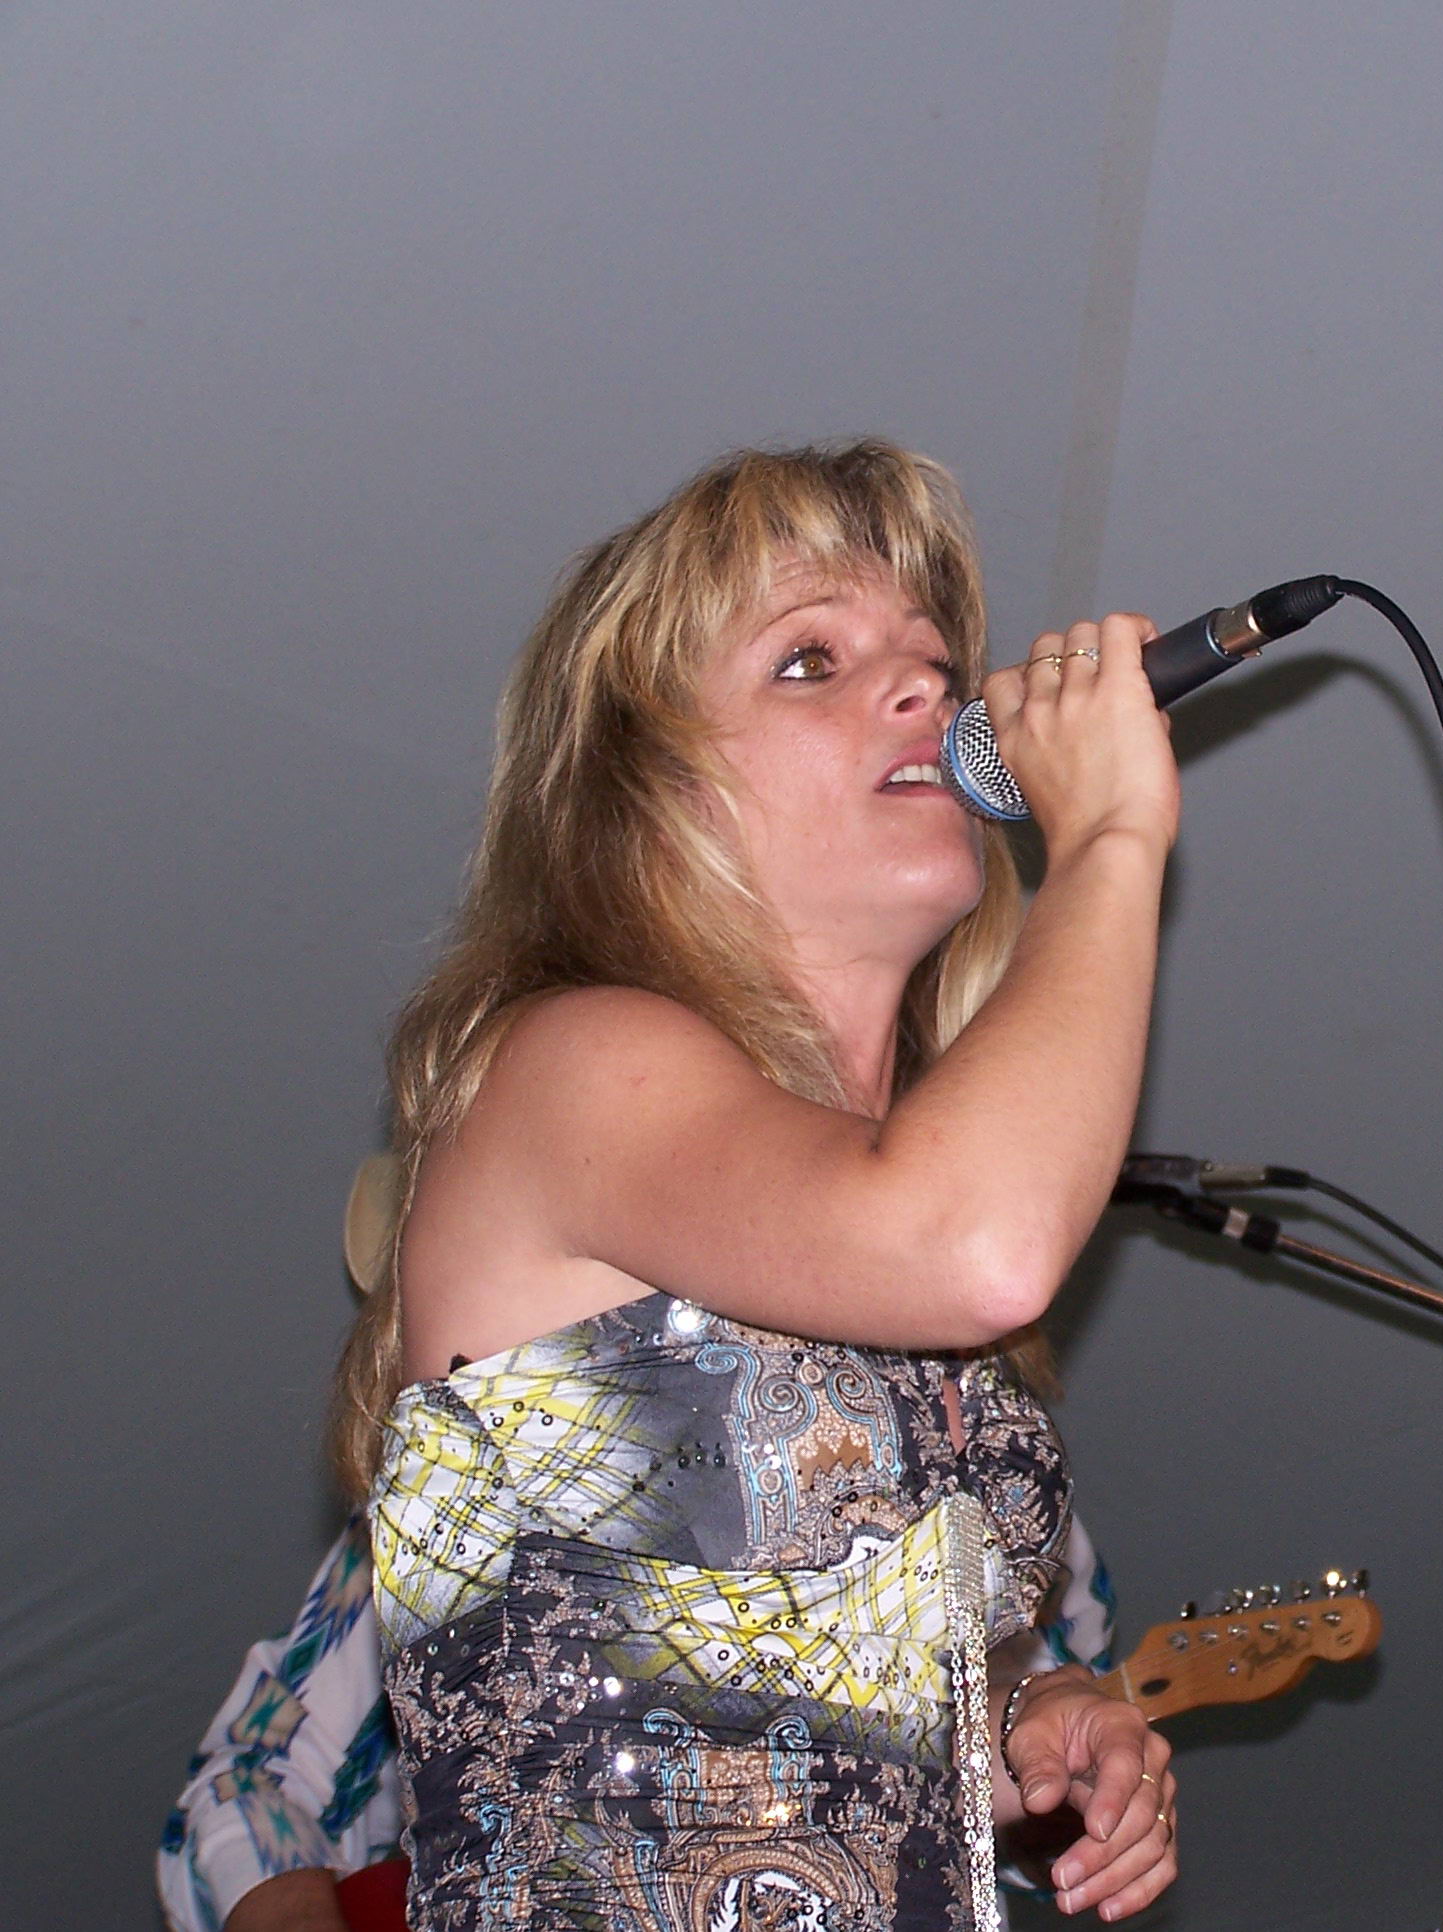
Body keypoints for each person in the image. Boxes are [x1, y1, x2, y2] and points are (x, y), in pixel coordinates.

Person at [330, 440, 1180, 1929]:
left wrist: (1017, 1721)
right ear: (648, 794)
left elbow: (765, 1717)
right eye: (810, 661)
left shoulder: (875, 1244)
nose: (924, 686)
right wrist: (1112, 834)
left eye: (931, 657)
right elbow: (981, 1246)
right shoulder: (569, 1066)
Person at [161, 1175, 1123, 1932]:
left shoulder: (1018, 1525)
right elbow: (249, 1784)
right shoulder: (461, 1517)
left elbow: (1000, 1822)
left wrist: (1067, 1779)